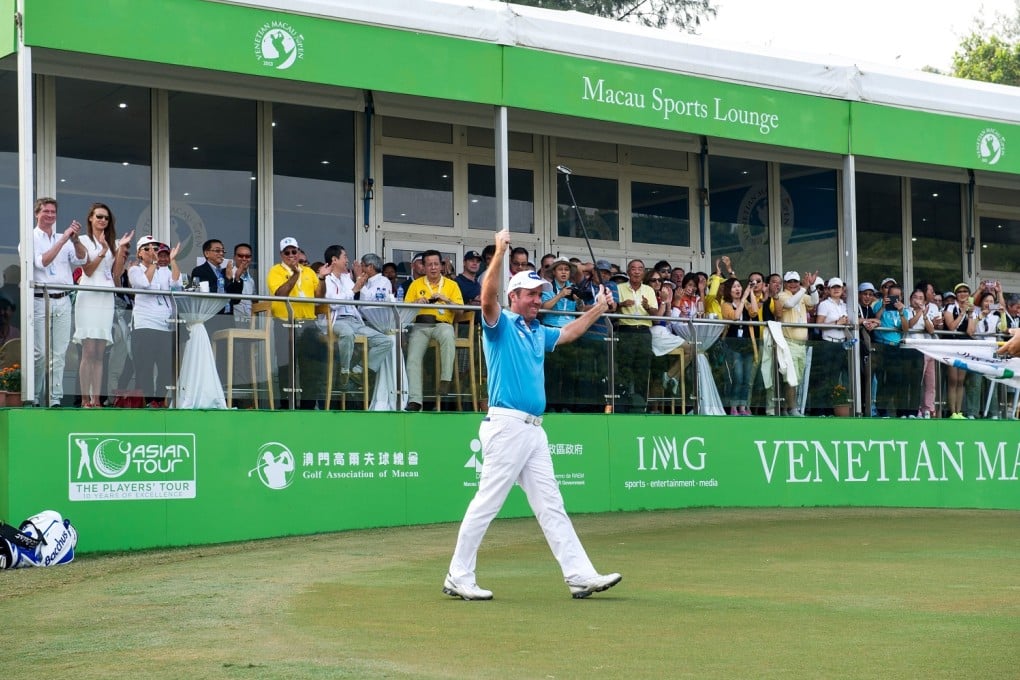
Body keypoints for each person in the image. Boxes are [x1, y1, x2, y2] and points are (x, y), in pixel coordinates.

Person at [443, 228, 621, 601]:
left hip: (533, 431)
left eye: (539, 295)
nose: (537, 300)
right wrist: (499, 252)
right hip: (507, 426)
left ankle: (579, 575)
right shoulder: (501, 325)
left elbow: (569, 333)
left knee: (551, 505)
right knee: (487, 503)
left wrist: (598, 308)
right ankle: (458, 575)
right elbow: (488, 297)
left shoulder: (536, 330)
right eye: (530, 295)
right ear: (514, 297)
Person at [72, 203, 133, 407]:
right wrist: (103, 251)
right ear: (90, 218)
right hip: (89, 294)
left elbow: (116, 275)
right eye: (99, 216)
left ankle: (97, 399)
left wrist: (120, 248)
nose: (103, 221)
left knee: (99, 353)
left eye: (106, 218)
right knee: (88, 351)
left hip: (106, 297)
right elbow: (87, 270)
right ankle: (84, 399)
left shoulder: (112, 242)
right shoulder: (83, 240)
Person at [30, 197, 86, 406]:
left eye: (53, 212)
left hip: (62, 299)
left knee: (59, 353)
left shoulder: (64, 238)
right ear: (37, 213)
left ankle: (54, 398)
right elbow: (42, 262)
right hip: (40, 300)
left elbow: (81, 259)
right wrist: (63, 240)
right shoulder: (30, 238)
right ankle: (35, 397)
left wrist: (76, 240)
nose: (50, 215)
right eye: (46, 211)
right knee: (40, 353)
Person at [320, 245, 392, 396]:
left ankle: (358, 371)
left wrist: (357, 283)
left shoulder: (346, 278)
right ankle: (344, 373)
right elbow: (333, 303)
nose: (347, 260)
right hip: (337, 320)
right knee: (347, 333)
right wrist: (354, 289)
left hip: (354, 321)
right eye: (344, 257)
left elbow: (358, 293)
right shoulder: (326, 279)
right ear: (334, 259)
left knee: (385, 341)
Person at [267, 237, 327, 408]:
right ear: (281, 254)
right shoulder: (275, 271)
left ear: (299, 251)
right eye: (287, 252)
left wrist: (321, 278)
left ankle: (308, 406)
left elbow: (319, 297)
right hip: (285, 323)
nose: (291, 255)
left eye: (294, 251)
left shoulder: (308, 272)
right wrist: (294, 275)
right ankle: (287, 405)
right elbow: (280, 294)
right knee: (287, 367)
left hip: (308, 325)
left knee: (310, 367)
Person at [403, 249, 464, 411]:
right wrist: (416, 302)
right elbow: (404, 310)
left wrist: (446, 299)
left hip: (441, 324)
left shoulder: (452, 285)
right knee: (413, 357)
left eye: (436, 264)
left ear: (442, 266)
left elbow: (461, 310)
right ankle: (415, 400)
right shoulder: (415, 284)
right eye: (429, 264)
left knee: (448, 334)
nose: (433, 268)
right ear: (423, 267)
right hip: (420, 326)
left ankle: (445, 380)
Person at [128, 236, 182, 408]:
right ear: (139, 253)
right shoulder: (134, 269)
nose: (153, 252)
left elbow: (177, 284)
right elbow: (144, 283)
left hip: (165, 324)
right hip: (144, 324)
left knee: (166, 367)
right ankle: (148, 401)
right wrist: (152, 263)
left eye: (155, 249)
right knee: (145, 366)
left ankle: (159, 400)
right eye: (147, 248)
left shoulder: (164, 269)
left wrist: (172, 261)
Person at [775, 270, 819, 416]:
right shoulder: (782, 295)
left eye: (795, 281)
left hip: (801, 345)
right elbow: (790, 303)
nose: (793, 284)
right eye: (790, 282)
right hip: (789, 343)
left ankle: (787, 408)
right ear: (786, 284)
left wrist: (812, 287)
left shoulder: (802, 295)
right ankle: (792, 409)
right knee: (790, 378)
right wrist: (804, 288)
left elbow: (814, 301)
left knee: (797, 379)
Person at [615, 259, 656, 412]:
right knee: (625, 368)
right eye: (633, 268)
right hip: (626, 329)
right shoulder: (619, 288)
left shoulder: (649, 290)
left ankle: (640, 405)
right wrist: (621, 304)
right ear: (628, 272)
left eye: (640, 269)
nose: (637, 271)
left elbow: (655, 315)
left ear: (644, 273)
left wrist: (647, 307)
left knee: (643, 369)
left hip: (644, 331)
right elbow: (611, 309)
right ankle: (623, 404)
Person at [719, 277, 758, 416]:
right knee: (738, 377)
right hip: (733, 345)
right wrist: (743, 300)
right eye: (734, 287)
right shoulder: (726, 304)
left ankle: (743, 407)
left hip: (747, 344)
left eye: (739, 287)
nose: (738, 289)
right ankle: (733, 407)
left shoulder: (746, 302)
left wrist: (751, 292)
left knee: (747, 379)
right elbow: (735, 316)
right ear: (729, 290)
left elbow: (754, 312)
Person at [191, 239, 242, 336]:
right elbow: (196, 293)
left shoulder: (226, 271)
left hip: (228, 319)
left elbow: (236, 300)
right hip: (210, 319)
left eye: (223, 251)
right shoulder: (197, 271)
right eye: (217, 251)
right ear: (207, 253)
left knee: (228, 351)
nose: (221, 253)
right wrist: (226, 280)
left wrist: (238, 279)